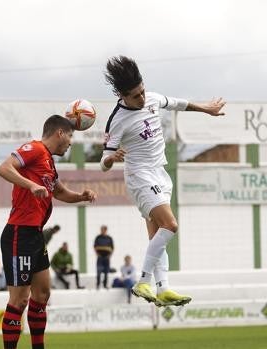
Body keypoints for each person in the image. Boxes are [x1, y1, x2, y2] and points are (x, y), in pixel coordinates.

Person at [100, 55, 226, 307]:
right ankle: (143, 280)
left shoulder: (153, 98)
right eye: (136, 96)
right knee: (170, 225)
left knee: (157, 235)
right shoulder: (117, 120)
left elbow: (179, 104)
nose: (142, 98)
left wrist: (206, 109)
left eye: (143, 91)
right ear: (123, 96)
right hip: (139, 176)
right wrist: (112, 158)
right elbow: (103, 163)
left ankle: (164, 288)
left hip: (159, 173)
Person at [0, 115, 96, 349]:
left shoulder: (49, 163)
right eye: (70, 136)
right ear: (60, 133)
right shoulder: (36, 149)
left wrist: (81, 196)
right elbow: (3, 168)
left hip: (35, 235)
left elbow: (60, 192)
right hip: (19, 233)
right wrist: (30, 185)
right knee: (19, 300)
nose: (71, 142)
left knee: (41, 296)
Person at [94, 225, 114, 289]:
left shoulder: (109, 238)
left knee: (106, 272)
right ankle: (98, 284)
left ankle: (105, 285)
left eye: (103, 229)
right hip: (100, 257)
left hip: (106, 258)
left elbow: (112, 248)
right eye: (101, 229)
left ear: (106, 230)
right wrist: (97, 254)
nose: (102, 231)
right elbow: (95, 246)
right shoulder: (98, 237)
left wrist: (109, 255)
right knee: (98, 271)